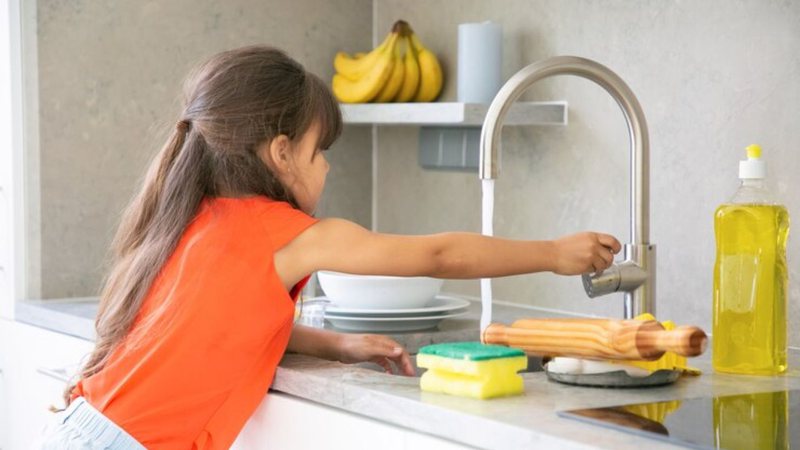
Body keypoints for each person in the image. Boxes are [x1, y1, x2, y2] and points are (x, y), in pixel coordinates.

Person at [34, 46, 621, 450]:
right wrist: (553, 252)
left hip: (88, 427)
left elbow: (220, 328)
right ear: (281, 152)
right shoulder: (288, 233)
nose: (326, 165)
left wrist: (335, 344)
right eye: (320, 150)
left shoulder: (194, 219)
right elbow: (439, 256)